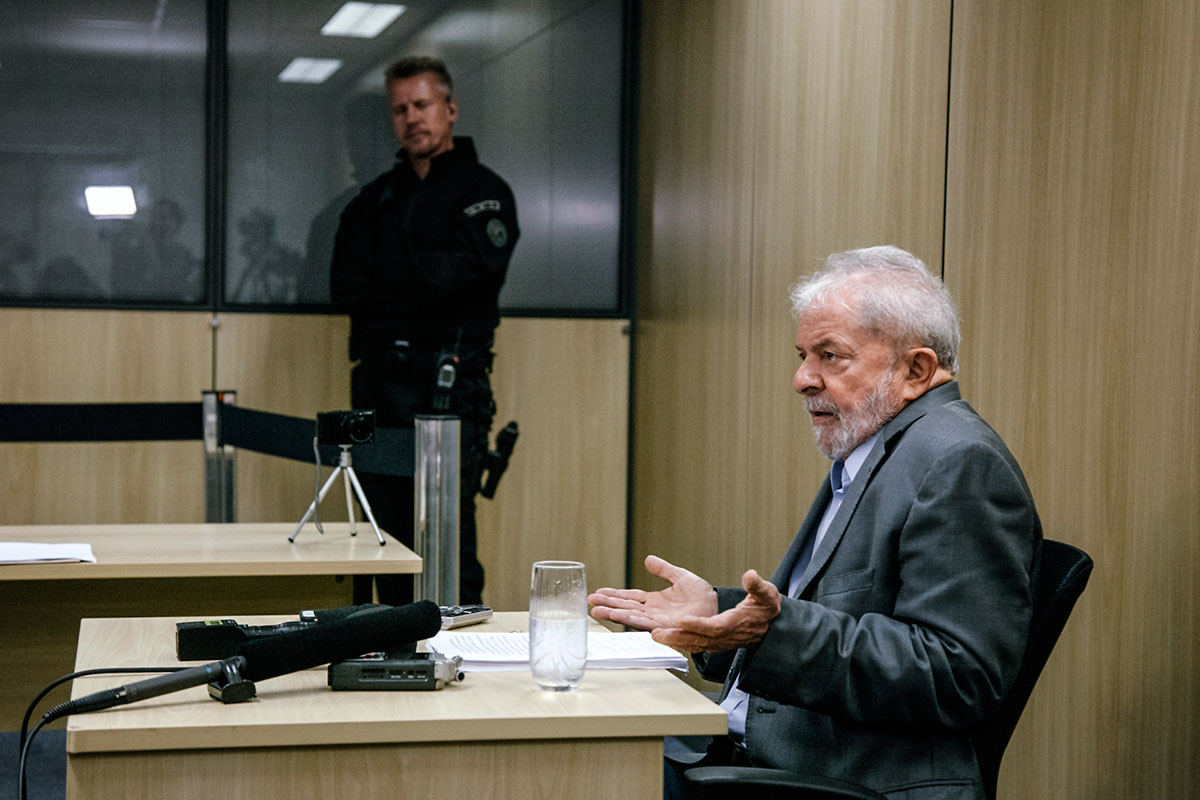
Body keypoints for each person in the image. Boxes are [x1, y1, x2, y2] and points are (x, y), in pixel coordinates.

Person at [589, 246, 1041, 800]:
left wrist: (769, 633)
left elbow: (957, 675)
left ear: (916, 370)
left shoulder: (957, 461)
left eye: (831, 356)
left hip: (835, 780)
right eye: (804, 355)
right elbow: (831, 622)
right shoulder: (877, 449)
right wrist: (721, 613)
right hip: (756, 750)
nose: (802, 379)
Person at [330, 56, 519, 606]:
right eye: (400, 109)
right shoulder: (373, 202)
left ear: (450, 108)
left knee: (448, 546)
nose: (412, 118)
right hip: (378, 390)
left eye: (422, 104)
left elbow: (453, 281)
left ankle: (459, 653)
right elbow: (347, 289)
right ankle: (390, 650)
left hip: (448, 391)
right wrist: (423, 279)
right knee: (382, 541)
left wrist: (394, 273)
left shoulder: (485, 193)